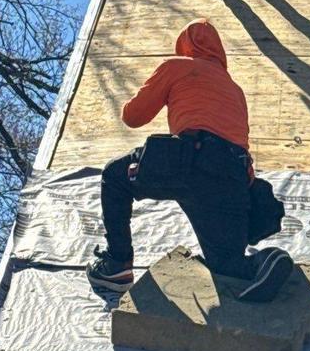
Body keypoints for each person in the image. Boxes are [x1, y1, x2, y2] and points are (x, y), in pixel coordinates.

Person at [86, 19, 293, 302]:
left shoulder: (178, 66)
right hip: (232, 175)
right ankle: (265, 262)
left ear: (185, 47)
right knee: (227, 265)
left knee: (115, 176)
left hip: (186, 161)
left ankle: (117, 264)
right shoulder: (235, 89)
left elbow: (133, 117)